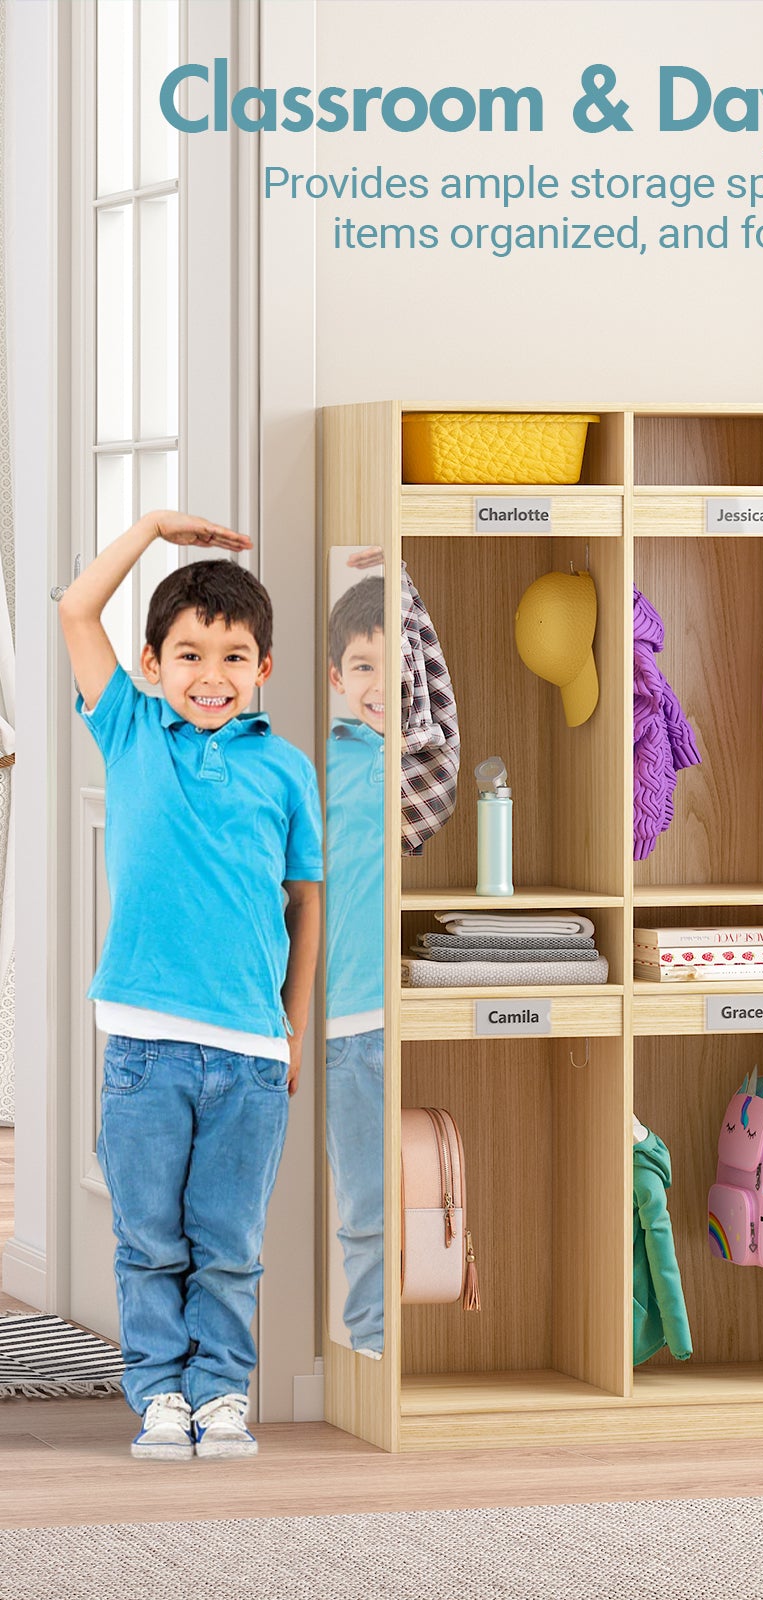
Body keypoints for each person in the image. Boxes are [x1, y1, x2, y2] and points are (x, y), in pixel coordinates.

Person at [57, 510, 322, 1460]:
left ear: (265, 670)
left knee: (229, 1245)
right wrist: (152, 530)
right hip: (144, 1046)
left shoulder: (287, 771)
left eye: (234, 656)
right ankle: (159, 1393)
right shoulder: (131, 731)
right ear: (152, 663)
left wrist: (292, 1031)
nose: (211, 675)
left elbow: (305, 909)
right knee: (150, 1241)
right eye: (190, 654)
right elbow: (76, 610)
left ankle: (220, 1395)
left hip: (252, 1053)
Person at [323, 569, 386, 1357]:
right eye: (361, 666)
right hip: (349, 1016)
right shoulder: (322, 765)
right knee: (367, 1198)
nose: (378, 683)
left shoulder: (429, 753)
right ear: (336, 677)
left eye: (392, 664)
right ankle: (372, 1342)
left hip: (420, 1001)